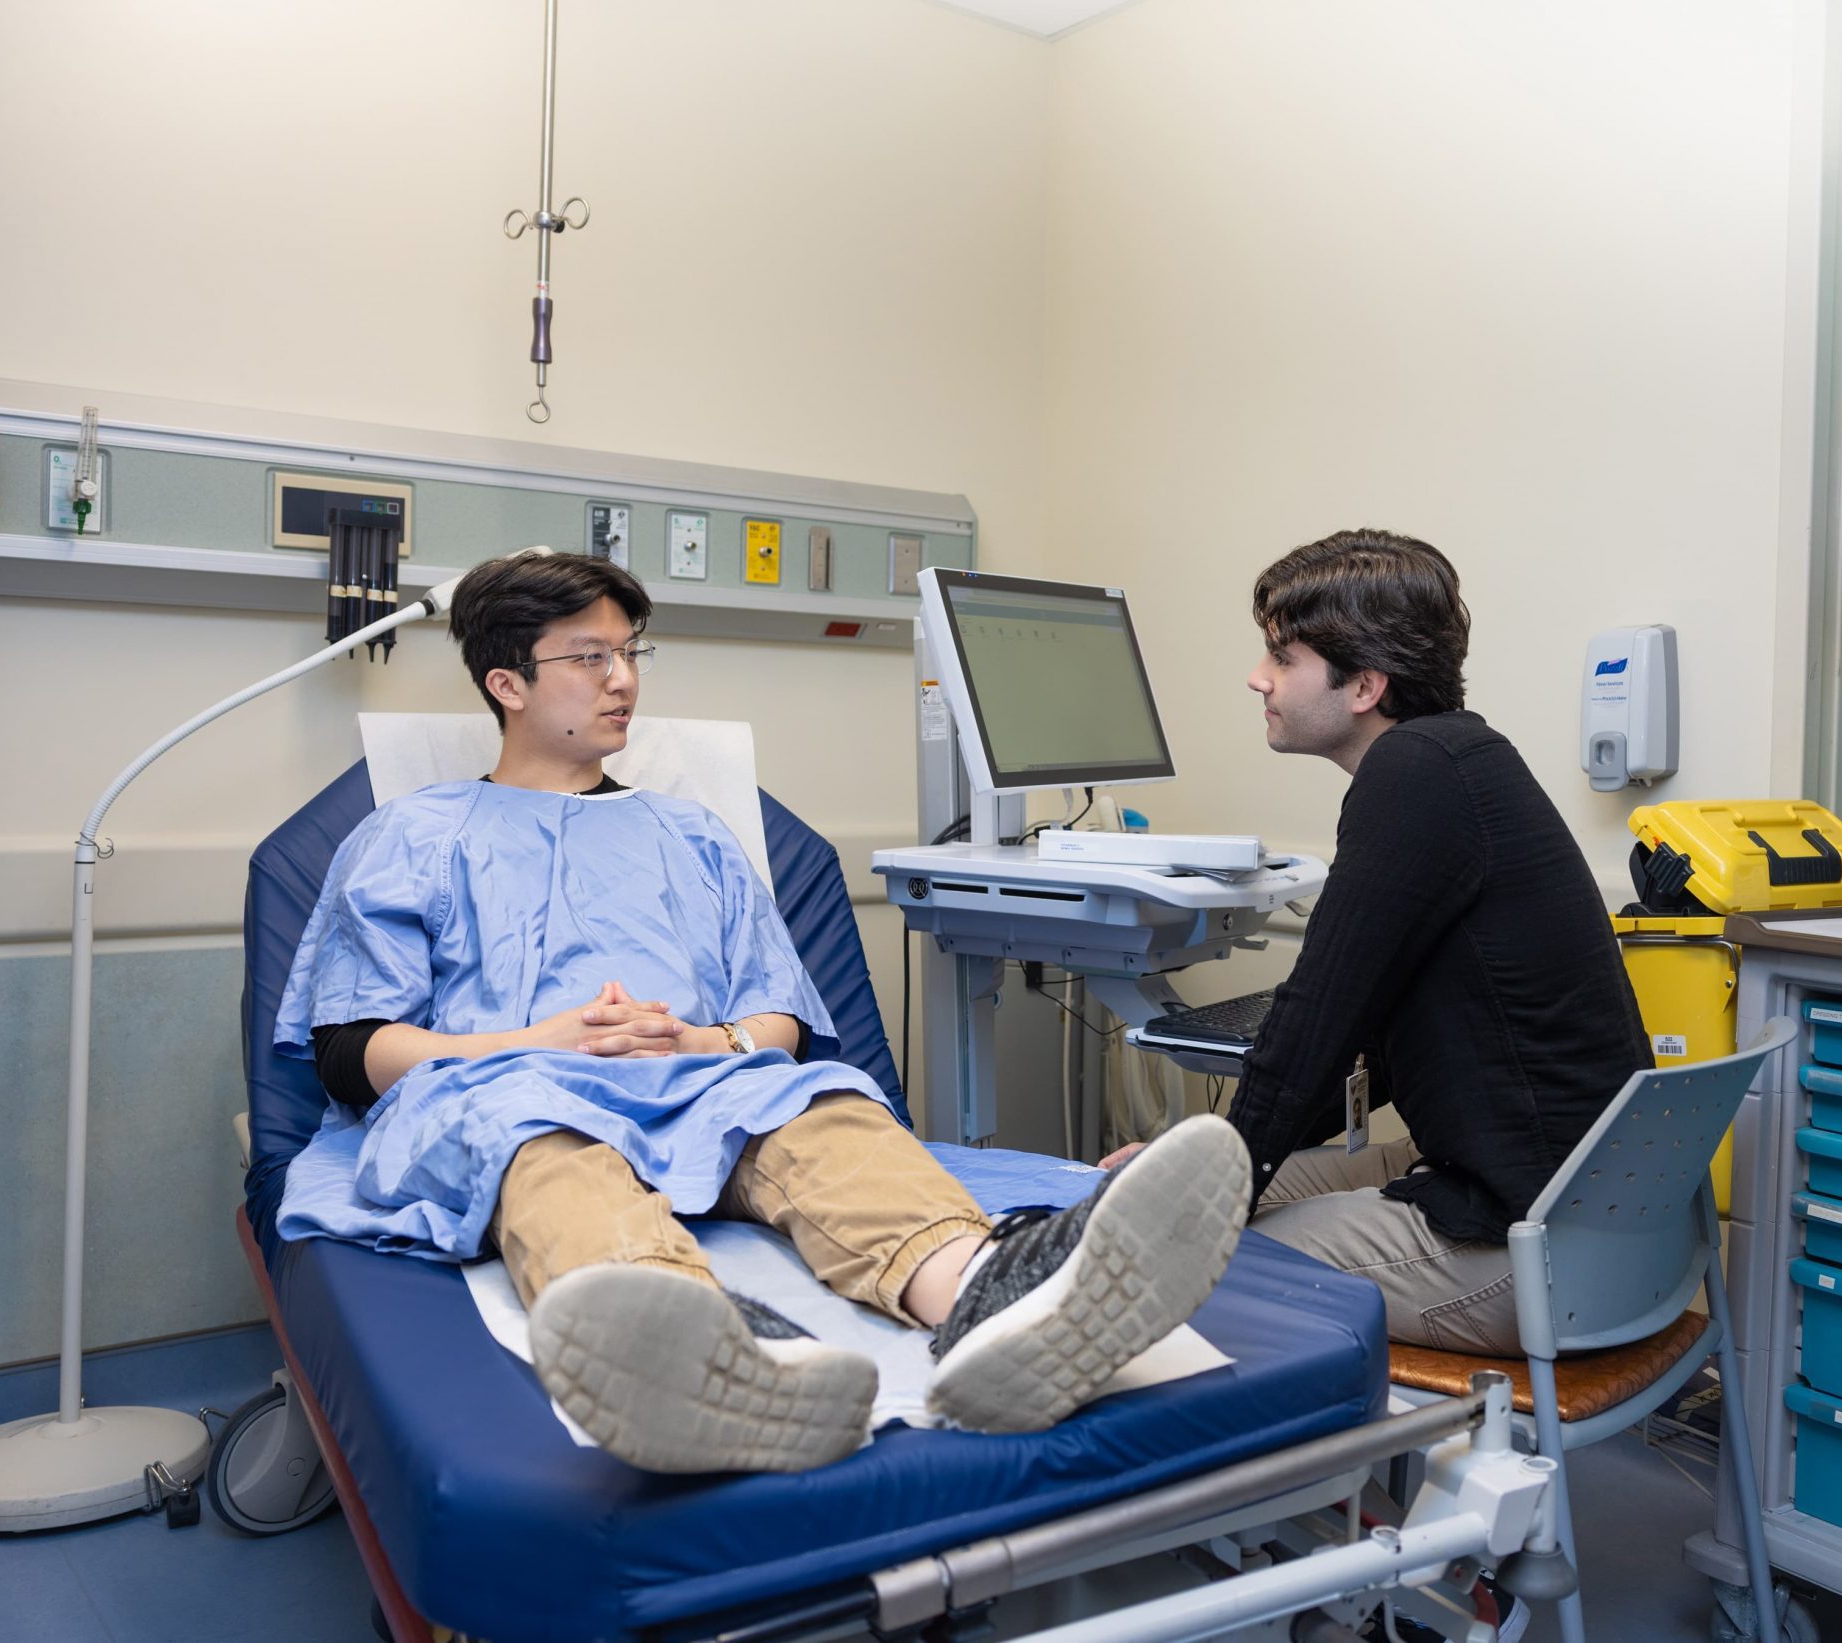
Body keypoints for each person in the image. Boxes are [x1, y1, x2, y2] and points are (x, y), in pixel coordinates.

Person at [274, 550, 1250, 1475]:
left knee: (824, 1105)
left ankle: (991, 1296)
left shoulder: (690, 834)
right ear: (507, 684)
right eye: (590, 657)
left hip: (703, 1083)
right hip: (508, 1096)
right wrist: (544, 1041)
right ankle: (712, 1360)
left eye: (630, 653)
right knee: (544, 1153)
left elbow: (778, 1021)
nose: (622, 680)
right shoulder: (413, 834)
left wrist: (701, 1040)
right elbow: (353, 1052)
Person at [1102, 529, 1645, 1361]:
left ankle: (1286, 1485)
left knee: (1184, 1249)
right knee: (1169, 1194)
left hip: (1529, 1242)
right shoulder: (1466, 758)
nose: (1258, 676)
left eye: (1282, 657)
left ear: (1363, 683)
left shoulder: (1414, 775)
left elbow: (1312, 1024)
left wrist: (1202, 1201)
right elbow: (1355, 1036)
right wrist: (1196, 1161)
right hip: (1590, 1215)